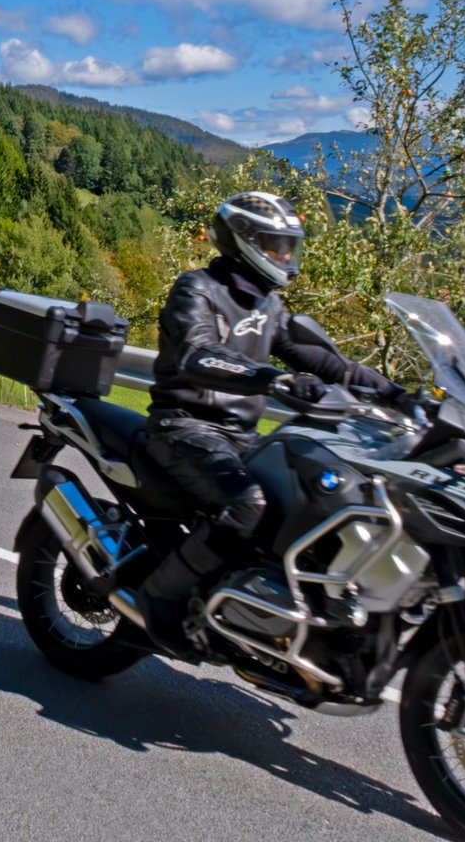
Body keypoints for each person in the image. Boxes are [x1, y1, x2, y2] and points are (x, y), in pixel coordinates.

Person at [136, 191, 407, 656]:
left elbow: (326, 362)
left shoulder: (268, 305)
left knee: (314, 501)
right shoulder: (197, 289)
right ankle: (160, 597)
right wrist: (274, 379)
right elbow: (197, 353)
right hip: (184, 426)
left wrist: (395, 393)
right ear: (245, 241)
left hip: (242, 436)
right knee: (249, 504)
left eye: (289, 247)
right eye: (277, 246)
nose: (285, 256)